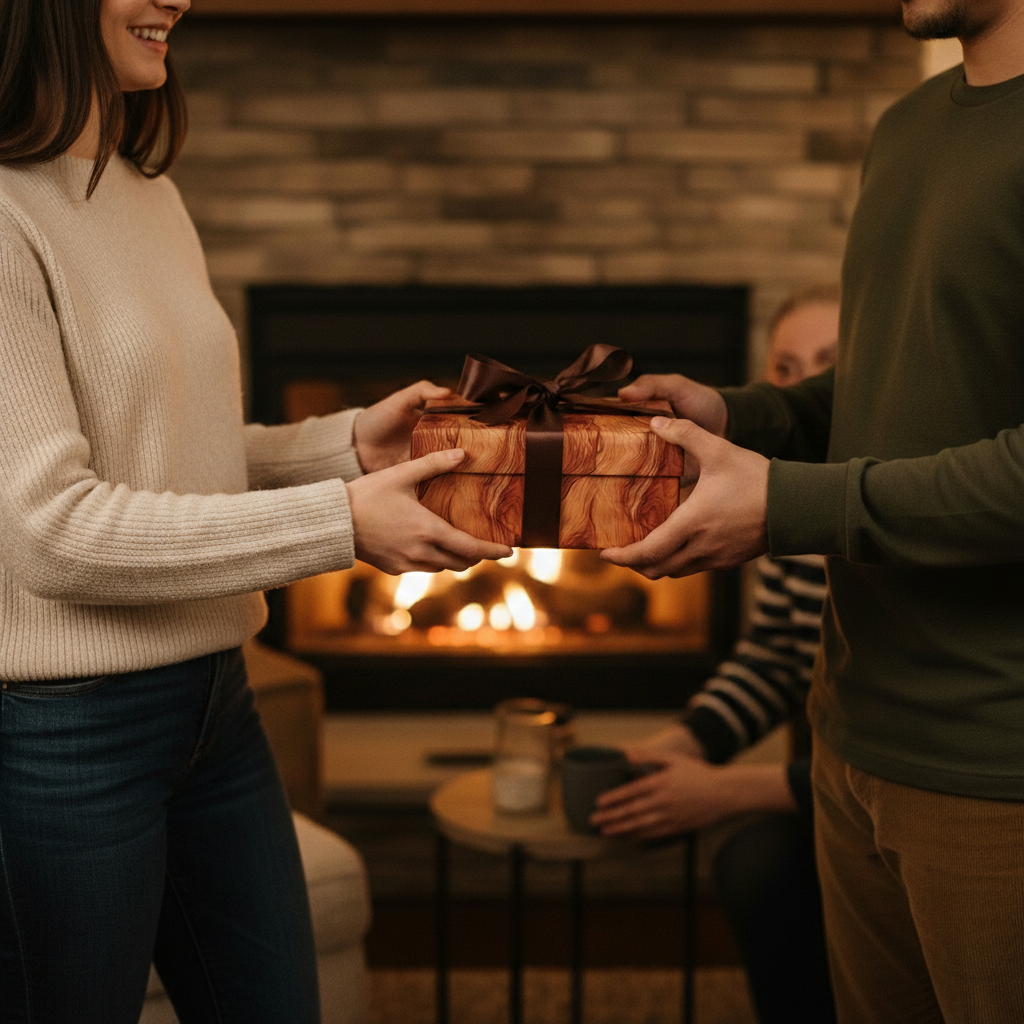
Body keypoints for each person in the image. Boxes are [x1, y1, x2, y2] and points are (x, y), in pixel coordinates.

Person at [0, 2, 513, 1023]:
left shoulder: (146, 192)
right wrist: (341, 522)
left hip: (216, 705)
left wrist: (347, 446)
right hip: (67, 736)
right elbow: (53, 532)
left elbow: (169, 454)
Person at [600, 2, 1024, 1021]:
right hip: (850, 738)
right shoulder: (907, 126)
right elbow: (893, 381)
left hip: (996, 763)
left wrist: (784, 504)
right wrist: (740, 415)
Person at [591, 286, 840, 1024]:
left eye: (829, 372)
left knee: (758, 862)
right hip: (831, 787)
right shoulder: (782, 507)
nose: (803, 392)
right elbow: (775, 659)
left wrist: (724, 791)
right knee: (756, 866)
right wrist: (681, 745)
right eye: (784, 371)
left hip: (884, 786)